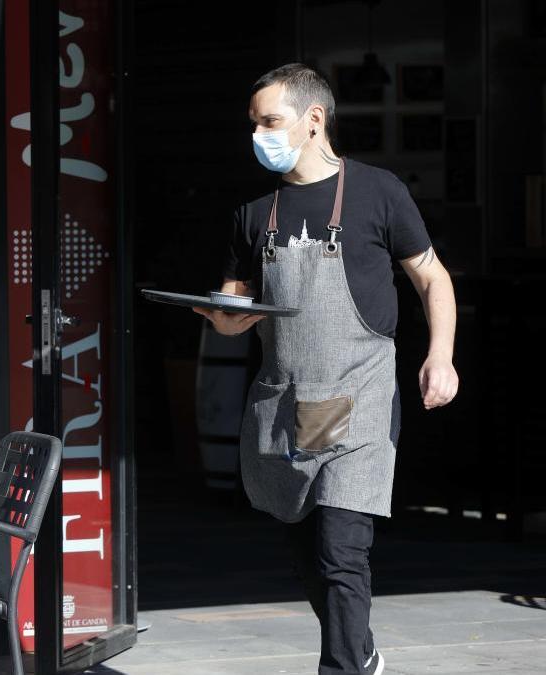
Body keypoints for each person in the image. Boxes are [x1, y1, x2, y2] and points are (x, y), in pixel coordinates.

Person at [195, 64, 459, 675]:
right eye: (254, 123)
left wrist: (440, 355)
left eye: (270, 121)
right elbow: (233, 301)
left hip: (358, 397)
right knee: (308, 551)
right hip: (285, 403)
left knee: (343, 548)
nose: (258, 133)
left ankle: (340, 667)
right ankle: (360, 651)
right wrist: (223, 319)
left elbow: (431, 276)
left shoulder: (378, 192)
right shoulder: (253, 212)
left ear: (314, 120)